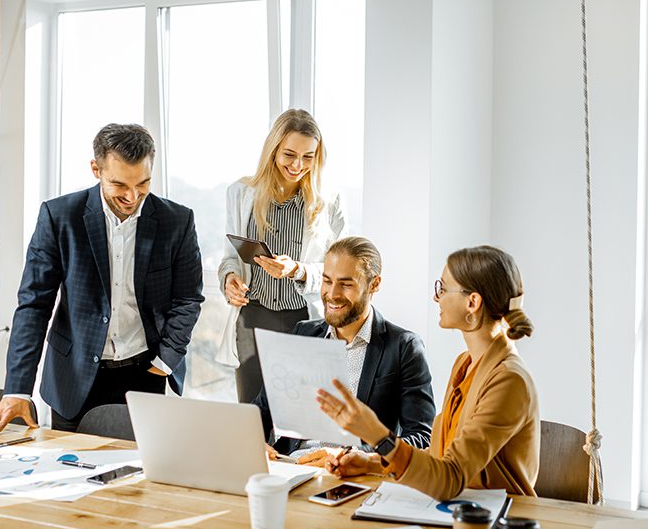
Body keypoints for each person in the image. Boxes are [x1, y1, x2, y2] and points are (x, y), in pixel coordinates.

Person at [0, 123, 204, 435]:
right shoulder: (60, 217)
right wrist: (17, 389)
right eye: (119, 184)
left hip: (145, 373)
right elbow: (34, 306)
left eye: (143, 183)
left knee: (138, 478)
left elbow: (188, 298)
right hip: (73, 376)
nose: (132, 196)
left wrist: (166, 360)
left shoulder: (177, 220)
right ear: (96, 169)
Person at [316, 245, 539, 501]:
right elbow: (437, 460)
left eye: (442, 289)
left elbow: (448, 479)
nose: (436, 298)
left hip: (494, 520)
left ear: (472, 302)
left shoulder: (509, 379)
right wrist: (371, 463)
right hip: (455, 508)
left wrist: (377, 434)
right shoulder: (465, 364)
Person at [254, 237, 436, 464]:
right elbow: (262, 408)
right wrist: (255, 442)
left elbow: (421, 438)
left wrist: (354, 456)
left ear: (374, 284)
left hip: (354, 473)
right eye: (326, 281)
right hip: (292, 465)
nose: (332, 294)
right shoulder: (303, 332)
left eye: (346, 284)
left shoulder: (404, 347)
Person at [218, 108, 346, 404]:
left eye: (308, 156)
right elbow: (229, 257)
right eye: (289, 154)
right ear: (273, 150)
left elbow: (340, 271)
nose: (298, 164)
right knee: (253, 420)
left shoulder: (330, 201)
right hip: (252, 320)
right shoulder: (240, 193)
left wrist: (298, 271)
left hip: (303, 321)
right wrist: (229, 279)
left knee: (298, 419)